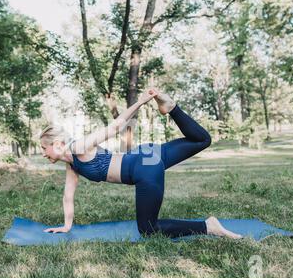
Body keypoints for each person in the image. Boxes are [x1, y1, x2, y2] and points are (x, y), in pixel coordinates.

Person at [39, 89, 242, 239]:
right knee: (201, 140)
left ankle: (208, 226)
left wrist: (140, 102)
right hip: (146, 155)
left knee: (148, 230)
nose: (42, 153)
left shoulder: (79, 147)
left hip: (144, 169)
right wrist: (66, 226)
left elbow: (115, 126)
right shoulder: (72, 164)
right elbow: (68, 196)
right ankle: (171, 108)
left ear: (57, 144)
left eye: (43, 148)